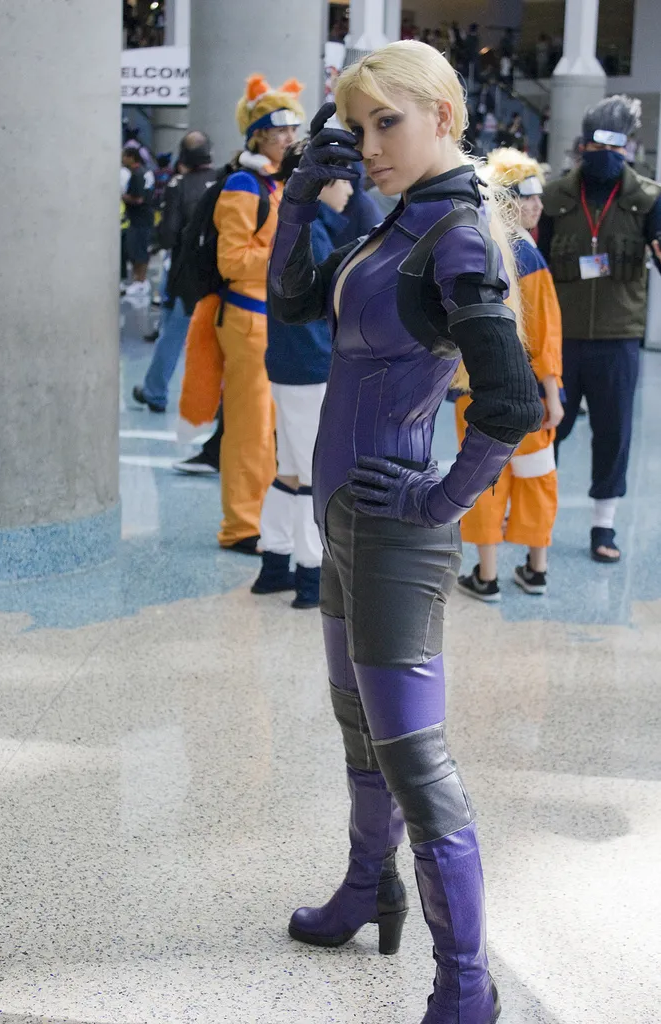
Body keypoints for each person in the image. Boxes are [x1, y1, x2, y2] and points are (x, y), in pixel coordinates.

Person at [268, 41, 542, 1023]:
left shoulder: (457, 236)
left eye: (388, 121)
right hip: (346, 516)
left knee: (416, 763)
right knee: (359, 728)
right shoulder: (400, 222)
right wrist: (301, 194)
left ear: (443, 115)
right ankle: (365, 887)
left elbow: (513, 401)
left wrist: (439, 501)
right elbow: (293, 301)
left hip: (393, 528)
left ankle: (466, 986)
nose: (370, 144)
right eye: (357, 127)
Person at [177, 75, 303, 553]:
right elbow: (232, 261)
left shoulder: (274, 183)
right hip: (248, 319)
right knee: (250, 430)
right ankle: (242, 526)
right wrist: (286, 259)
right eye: (279, 130)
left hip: (271, 321)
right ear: (257, 135)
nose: (289, 137)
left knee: (270, 429)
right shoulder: (244, 184)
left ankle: (262, 518)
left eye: (292, 129)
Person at [539, 95, 661, 562]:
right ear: (582, 145)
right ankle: (538, 514)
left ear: (628, 146)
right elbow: (535, 269)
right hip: (560, 338)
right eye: (597, 144)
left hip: (618, 337)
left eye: (614, 145)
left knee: (613, 434)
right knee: (550, 428)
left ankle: (603, 526)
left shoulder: (647, 200)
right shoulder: (553, 198)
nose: (605, 154)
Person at [457, 150, 563, 600]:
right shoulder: (527, 255)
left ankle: (487, 575)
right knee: (536, 474)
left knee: (483, 475)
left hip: (477, 383)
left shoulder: (475, 245)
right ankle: (536, 568)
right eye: (525, 195)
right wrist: (552, 392)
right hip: (529, 388)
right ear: (504, 200)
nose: (536, 204)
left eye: (537, 195)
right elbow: (545, 334)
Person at [252, 143, 353, 609]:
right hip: (309, 366)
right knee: (315, 473)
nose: (350, 190)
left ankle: (275, 564)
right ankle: (311, 577)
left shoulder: (299, 228)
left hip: (290, 365)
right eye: (345, 180)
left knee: (290, 470)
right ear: (323, 182)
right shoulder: (311, 234)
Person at [132, 131, 216, 414]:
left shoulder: (178, 185)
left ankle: (155, 392)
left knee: (172, 333)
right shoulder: (226, 181)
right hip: (221, 273)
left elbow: (168, 235)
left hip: (185, 273)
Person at [121, 146, 155, 299]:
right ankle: (139, 280)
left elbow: (138, 198)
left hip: (139, 219)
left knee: (138, 249)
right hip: (143, 218)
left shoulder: (137, 174)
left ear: (131, 157)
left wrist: (123, 197)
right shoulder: (145, 171)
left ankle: (140, 280)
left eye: (124, 156)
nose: (122, 159)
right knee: (138, 249)